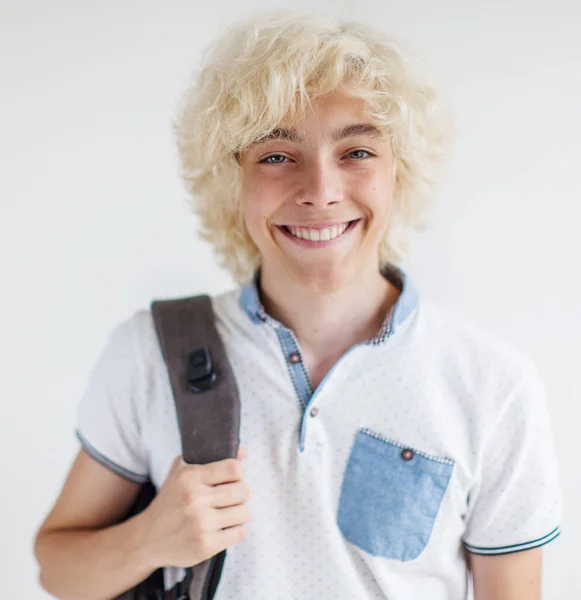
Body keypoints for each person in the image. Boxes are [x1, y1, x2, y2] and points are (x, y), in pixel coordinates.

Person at [34, 9, 562, 600]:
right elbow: (58, 568)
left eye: (357, 152)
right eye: (276, 156)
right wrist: (150, 540)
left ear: (401, 172)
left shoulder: (493, 385)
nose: (320, 191)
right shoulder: (151, 352)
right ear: (230, 181)